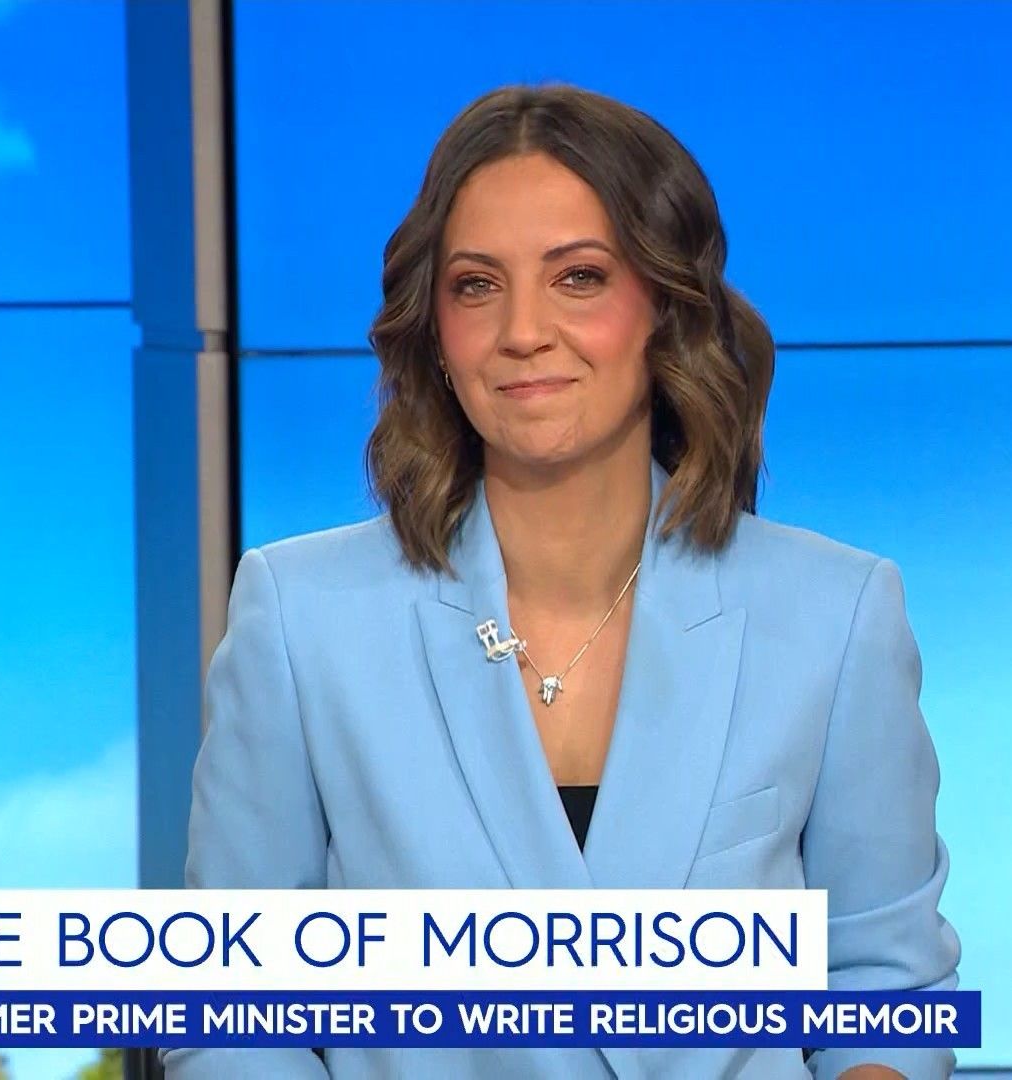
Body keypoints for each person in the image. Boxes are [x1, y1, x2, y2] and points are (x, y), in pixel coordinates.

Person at [164, 83, 959, 1080]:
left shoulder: (835, 614)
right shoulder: (300, 616)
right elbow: (233, 1017)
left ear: (666, 308)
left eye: (579, 277)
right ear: (434, 330)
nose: (523, 331)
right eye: (476, 286)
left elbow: (886, 993)